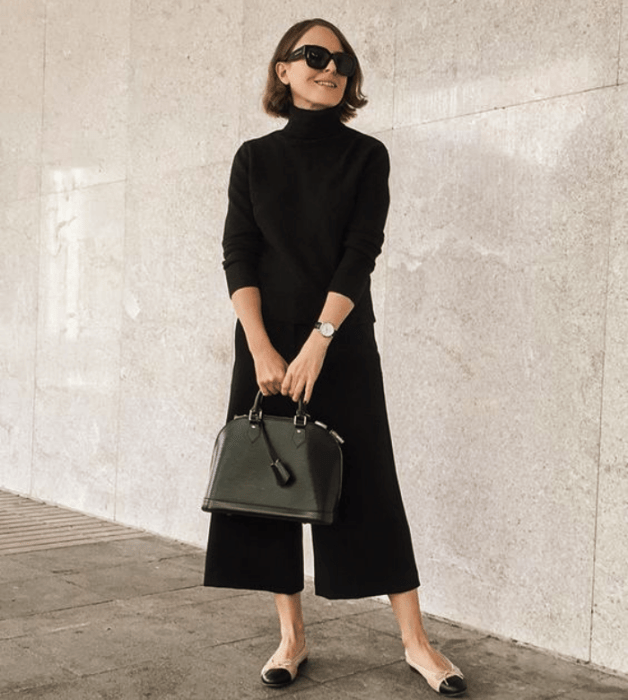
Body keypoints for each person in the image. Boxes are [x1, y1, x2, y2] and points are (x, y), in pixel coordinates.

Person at [204, 18, 467, 697]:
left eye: (341, 60)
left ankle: (416, 642)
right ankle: (291, 637)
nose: (331, 67)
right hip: (264, 339)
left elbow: (360, 252)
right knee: (269, 486)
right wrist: (262, 346)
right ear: (283, 70)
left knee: (370, 482)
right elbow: (239, 254)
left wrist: (321, 339)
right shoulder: (252, 159)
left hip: (341, 337)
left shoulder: (367, 156)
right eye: (313, 56)